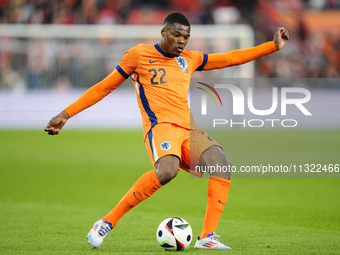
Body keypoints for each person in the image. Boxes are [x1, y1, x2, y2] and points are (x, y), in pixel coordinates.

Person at [45, 12, 289, 250]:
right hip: (160, 127)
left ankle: (207, 237)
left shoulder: (190, 59)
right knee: (167, 171)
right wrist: (66, 113)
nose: (182, 41)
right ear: (164, 32)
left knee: (222, 165)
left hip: (188, 128)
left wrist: (272, 46)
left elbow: (230, 58)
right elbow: (103, 87)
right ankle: (106, 222)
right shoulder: (138, 55)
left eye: (186, 37)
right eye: (177, 35)